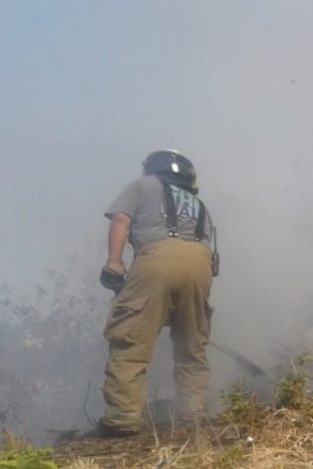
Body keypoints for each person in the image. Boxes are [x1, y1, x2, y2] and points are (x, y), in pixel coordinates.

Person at [97, 150, 218, 437]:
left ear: (154, 169)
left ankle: (124, 416)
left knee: (130, 337)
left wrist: (114, 264)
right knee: (192, 342)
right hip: (200, 265)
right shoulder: (197, 203)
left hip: (157, 259)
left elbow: (121, 220)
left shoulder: (143, 185)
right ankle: (194, 412)